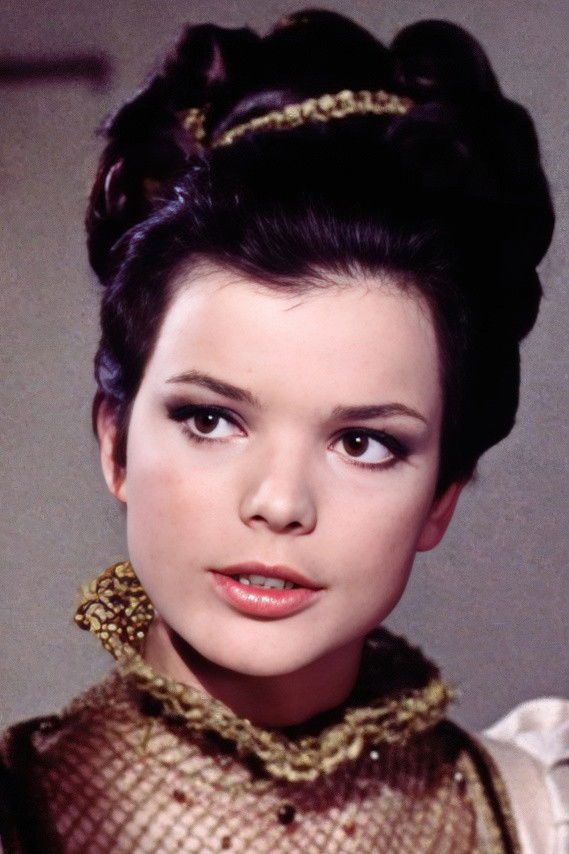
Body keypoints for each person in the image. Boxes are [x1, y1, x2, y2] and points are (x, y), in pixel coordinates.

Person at [0, 9, 566, 852]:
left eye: (363, 443)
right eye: (210, 419)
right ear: (115, 443)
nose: (279, 502)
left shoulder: (535, 815)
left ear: (440, 498)